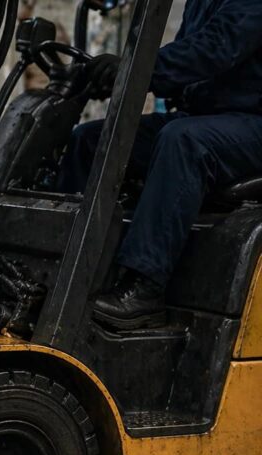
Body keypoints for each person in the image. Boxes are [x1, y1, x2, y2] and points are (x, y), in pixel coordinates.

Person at [58, 0, 262, 330]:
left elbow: (219, 46)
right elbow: (187, 54)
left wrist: (136, 68)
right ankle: (64, 265)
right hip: (209, 116)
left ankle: (144, 288)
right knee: (92, 139)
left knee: (183, 141)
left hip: (253, 122)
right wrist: (109, 77)